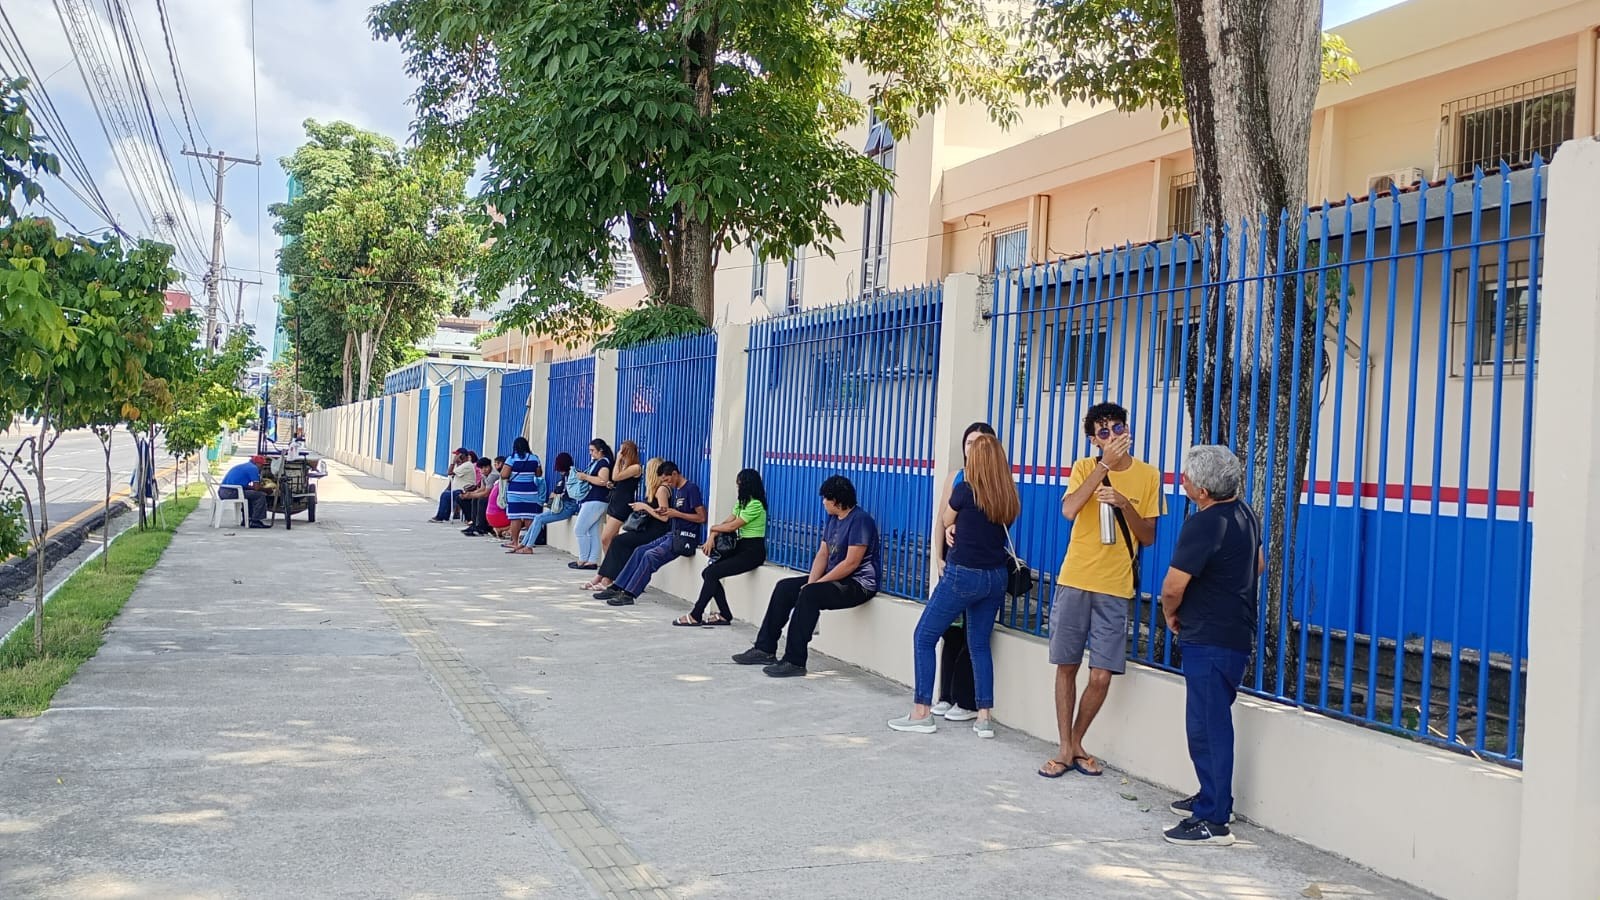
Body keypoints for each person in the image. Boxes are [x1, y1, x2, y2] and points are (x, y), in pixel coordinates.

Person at [1039, 402, 1165, 779]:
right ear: (1095, 440)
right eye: (1103, 432)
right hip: (1076, 579)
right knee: (1067, 665)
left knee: (1101, 674)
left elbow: (1149, 536)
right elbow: (1069, 510)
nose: (1112, 436)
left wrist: (1125, 505)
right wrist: (1103, 468)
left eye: (1118, 428)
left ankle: (1077, 741)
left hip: (1115, 586)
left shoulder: (1149, 475)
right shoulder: (1084, 467)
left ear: (1128, 431)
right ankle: (1065, 748)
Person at [1160, 445, 1263, 847]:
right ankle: (1212, 796)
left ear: (1202, 490)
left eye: (1186, 478)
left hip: (1209, 637)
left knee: (1206, 727)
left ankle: (1214, 819)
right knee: (1210, 720)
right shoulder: (1245, 513)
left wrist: (1171, 614)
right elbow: (1258, 563)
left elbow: (1173, 586)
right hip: (1234, 633)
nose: (1182, 481)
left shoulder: (1203, 523)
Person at [889, 434, 1019, 739]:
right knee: (979, 644)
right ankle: (984, 717)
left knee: (924, 636)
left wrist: (953, 526)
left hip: (963, 575)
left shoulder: (964, 490)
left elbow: (946, 519)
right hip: (996, 577)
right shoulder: (1009, 496)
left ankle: (921, 712)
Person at [732, 475, 879, 678]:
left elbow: (851, 563)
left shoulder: (861, 521)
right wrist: (811, 582)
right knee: (785, 588)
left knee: (810, 595)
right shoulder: (833, 519)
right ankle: (764, 649)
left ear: (837, 501)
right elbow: (823, 554)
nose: (823, 502)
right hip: (834, 577)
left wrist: (815, 585)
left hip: (858, 584)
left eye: (826, 498)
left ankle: (795, 661)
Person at [929, 422, 997, 722]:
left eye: (981, 442)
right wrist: (938, 558)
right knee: (950, 630)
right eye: (970, 443)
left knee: (974, 636)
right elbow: (942, 519)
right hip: (954, 562)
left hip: (979, 566)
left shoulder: (998, 482)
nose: (974, 448)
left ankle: (966, 700)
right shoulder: (956, 478)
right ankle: (945, 694)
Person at [595, 461, 706, 606]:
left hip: (685, 537)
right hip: (673, 533)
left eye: (668, 480)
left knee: (650, 556)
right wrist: (665, 511)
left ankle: (629, 594)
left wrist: (676, 514)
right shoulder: (678, 490)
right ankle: (618, 586)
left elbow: (701, 517)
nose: (668, 483)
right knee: (639, 551)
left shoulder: (691, 489)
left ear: (674, 474)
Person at [676, 468, 768, 627]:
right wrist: (712, 535)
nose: (738, 488)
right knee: (708, 573)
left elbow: (733, 526)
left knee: (712, 573)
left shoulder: (756, 505)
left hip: (753, 551)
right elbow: (727, 522)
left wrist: (713, 529)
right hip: (741, 546)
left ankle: (696, 615)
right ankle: (724, 614)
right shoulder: (742, 503)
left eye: (739, 484)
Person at [587, 457, 670, 591]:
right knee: (620, 541)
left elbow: (665, 517)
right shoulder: (654, 489)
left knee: (619, 541)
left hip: (656, 530)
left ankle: (607, 578)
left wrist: (644, 507)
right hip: (647, 528)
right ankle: (603, 576)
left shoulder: (661, 490)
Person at [511, 452, 582, 554]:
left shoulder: (569, 476)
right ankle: (524, 544)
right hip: (565, 506)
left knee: (539, 519)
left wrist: (556, 495)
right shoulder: (570, 474)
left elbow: (569, 493)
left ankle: (528, 546)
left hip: (568, 506)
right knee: (537, 518)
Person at [569, 439, 614, 570]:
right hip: (596, 500)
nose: (591, 453)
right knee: (593, 531)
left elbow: (603, 481)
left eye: (593, 450)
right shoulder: (599, 462)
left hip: (596, 499)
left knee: (579, 529)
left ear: (601, 451)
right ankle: (592, 560)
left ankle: (583, 559)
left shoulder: (603, 463)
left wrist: (585, 477)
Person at [599, 440, 644, 557]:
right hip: (614, 502)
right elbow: (617, 480)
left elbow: (615, 476)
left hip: (622, 505)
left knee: (605, 538)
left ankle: (610, 564)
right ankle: (611, 564)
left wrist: (618, 459)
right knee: (612, 539)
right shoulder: (624, 467)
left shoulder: (636, 467)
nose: (620, 453)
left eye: (622, 450)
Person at [500, 438, 545, 547]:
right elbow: (539, 474)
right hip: (531, 492)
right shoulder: (535, 458)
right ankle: (529, 542)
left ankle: (515, 542)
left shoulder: (511, 459)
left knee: (515, 517)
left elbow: (504, 475)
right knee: (529, 517)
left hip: (515, 491)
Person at [219, 455, 270, 528]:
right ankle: (255, 521)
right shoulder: (253, 468)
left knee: (250, 495)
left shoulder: (245, 466)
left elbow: (244, 486)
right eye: (262, 465)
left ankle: (247, 520)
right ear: (258, 464)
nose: (262, 467)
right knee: (260, 495)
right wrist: (267, 490)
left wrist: (252, 488)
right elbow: (256, 488)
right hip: (230, 492)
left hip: (223, 491)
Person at [430, 448, 478, 523]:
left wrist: (453, 462)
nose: (455, 457)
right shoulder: (463, 465)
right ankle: (444, 516)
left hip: (464, 490)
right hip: (458, 489)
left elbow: (449, 472)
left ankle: (440, 517)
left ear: (462, 456)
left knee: (445, 495)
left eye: (457, 455)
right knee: (447, 494)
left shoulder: (467, 465)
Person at [459, 457, 499, 536]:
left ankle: (481, 527)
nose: (483, 470)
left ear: (489, 466)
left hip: (496, 497)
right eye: (481, 468)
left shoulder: (493, 475)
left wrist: (470, 495)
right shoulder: (484, 475)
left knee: (482, 500)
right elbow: (482, 488)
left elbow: (486, 493)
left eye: (486, 467)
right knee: (474, 498)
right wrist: (471, 493)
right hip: (490, 495)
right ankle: (474, 524)